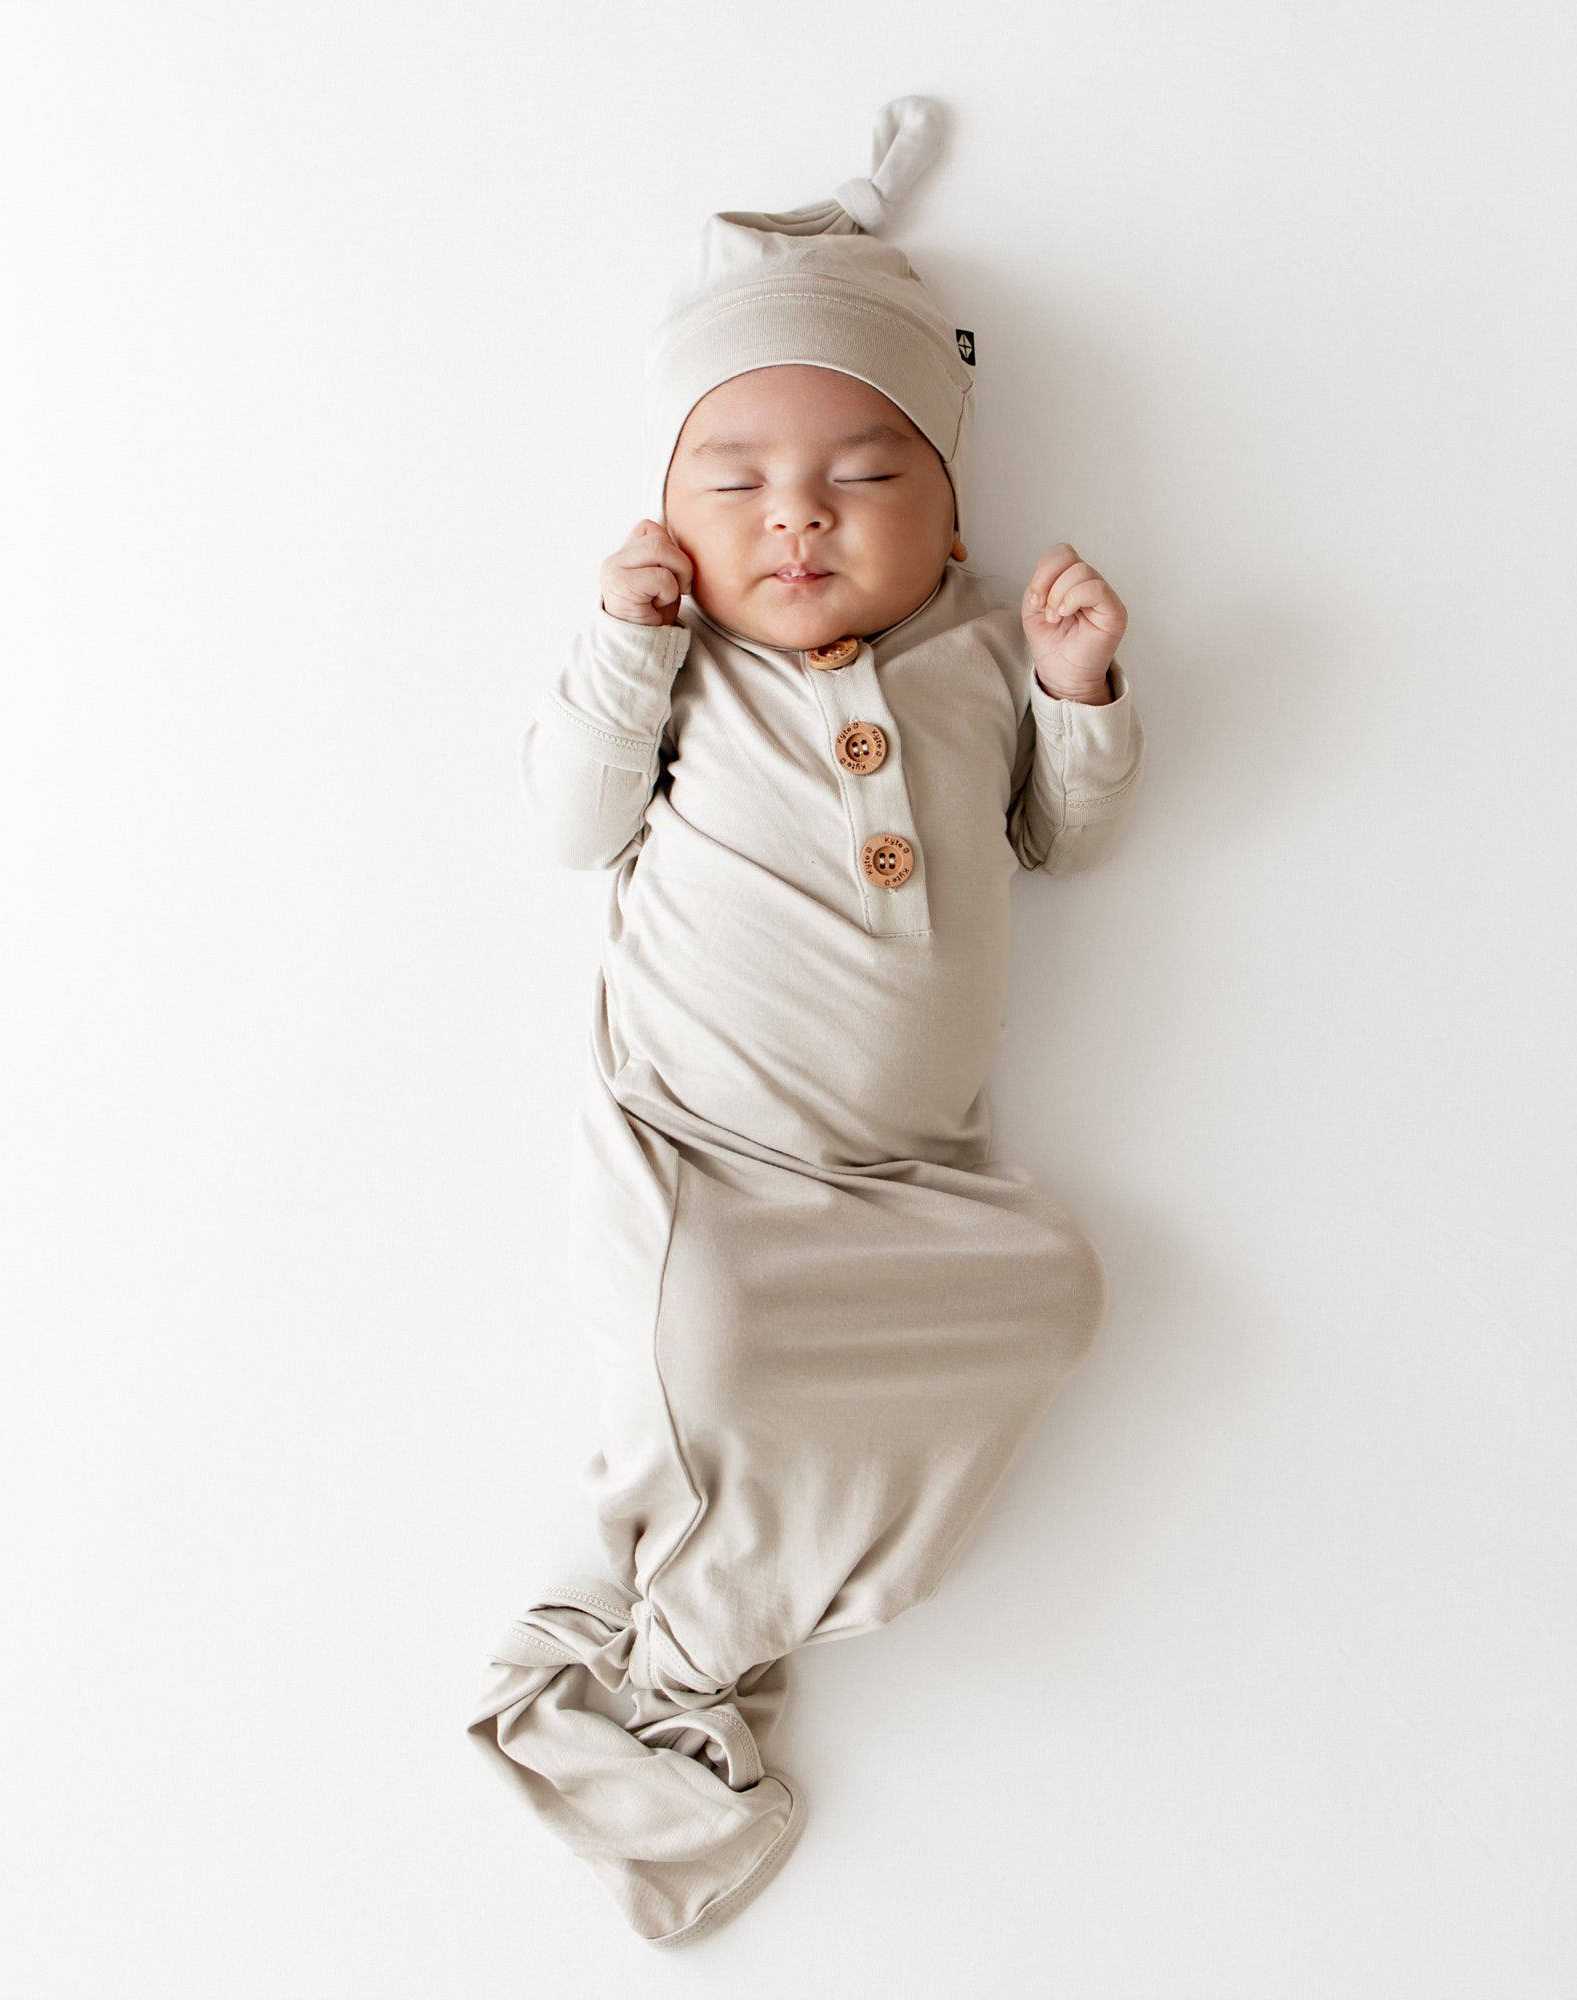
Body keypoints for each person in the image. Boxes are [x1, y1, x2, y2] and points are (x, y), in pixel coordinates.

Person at [466, 95, 1147, 1946]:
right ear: (669, 519)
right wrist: (618, 641)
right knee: (723, 1333)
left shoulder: (978, 658)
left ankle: (685, 1636)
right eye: (737, 481)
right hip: (711, 1156)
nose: (798, 520)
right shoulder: (681, 669)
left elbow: (1061, 837)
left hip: (926, 1181)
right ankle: (664, 1642)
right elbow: (568, 821)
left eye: (862, 477)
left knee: (1061, 1286)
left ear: (950, 513)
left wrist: (1079, 692)